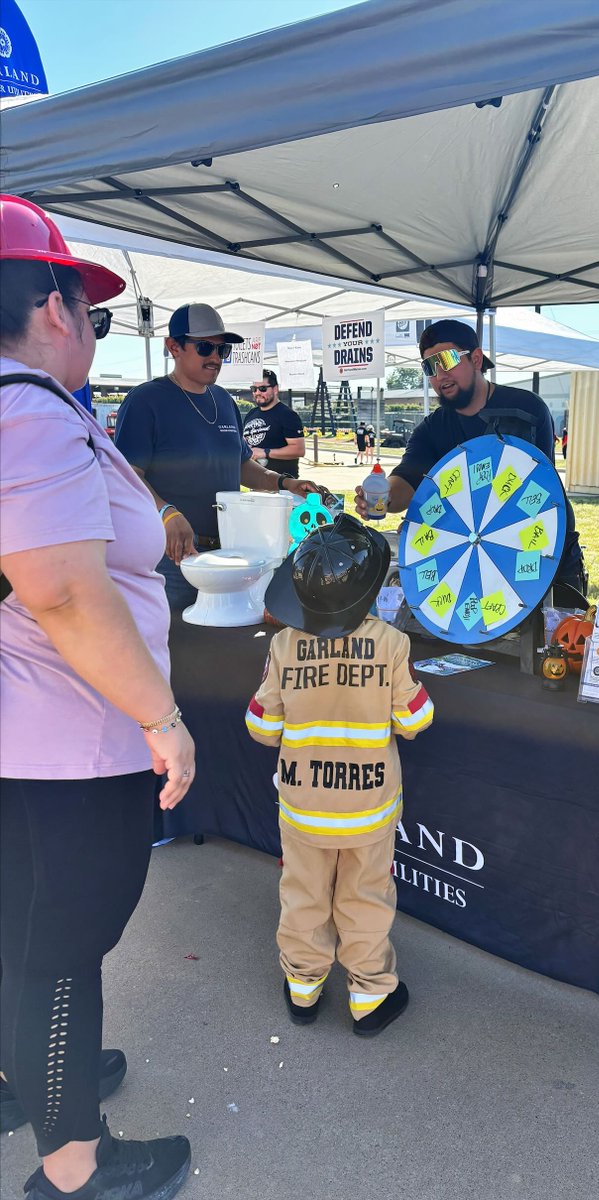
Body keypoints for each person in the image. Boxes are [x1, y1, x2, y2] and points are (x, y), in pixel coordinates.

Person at [0, 195, 194, 1198]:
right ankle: (73, 1165)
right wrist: (162, 719)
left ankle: (29, 1074)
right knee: (65, 948)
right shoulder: (29, 410)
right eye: (91, 311)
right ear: (51, 308)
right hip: (71, 743)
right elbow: (66, 591)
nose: (91, 332)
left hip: (24, 735)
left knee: (25, 932)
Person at [245, 514, 434, 1034]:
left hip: (303, 809)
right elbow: (415, 721)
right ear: (369, 590)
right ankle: (369, 995)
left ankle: (304, 987)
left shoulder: (283, 646)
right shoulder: (392, 643)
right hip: (369, 809)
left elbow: (261, 728)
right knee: (365, 897)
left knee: (302, 894)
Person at [354, 319, 587, 595]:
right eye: (429, 367)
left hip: (544, 558)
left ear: (476, 359)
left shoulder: (526, 409)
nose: (440, 375)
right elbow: (406, 478)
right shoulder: (432, 429)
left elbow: (534, 489)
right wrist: (384, 497)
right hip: (473, 572)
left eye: (447, 360)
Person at [114, 304, 323, 609]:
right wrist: (166, 513)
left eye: (221, 349)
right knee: (176, 644)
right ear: (174, 347)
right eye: (204, 347)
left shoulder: (224, 400)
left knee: (224, 645)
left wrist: (284, 483)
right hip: (172, 557)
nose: (215, 358)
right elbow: (126, 474)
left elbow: (240, 466)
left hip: (231, 550)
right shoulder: (146, 400)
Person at [243, 368, 306, 476]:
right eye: (254, 389)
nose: (257, 393)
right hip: (255, 482)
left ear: (275, 389)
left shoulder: (288, 415)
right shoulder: (251, 414)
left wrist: (265, 452)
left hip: (282, 484)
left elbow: (299, 450)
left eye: (262, 388)